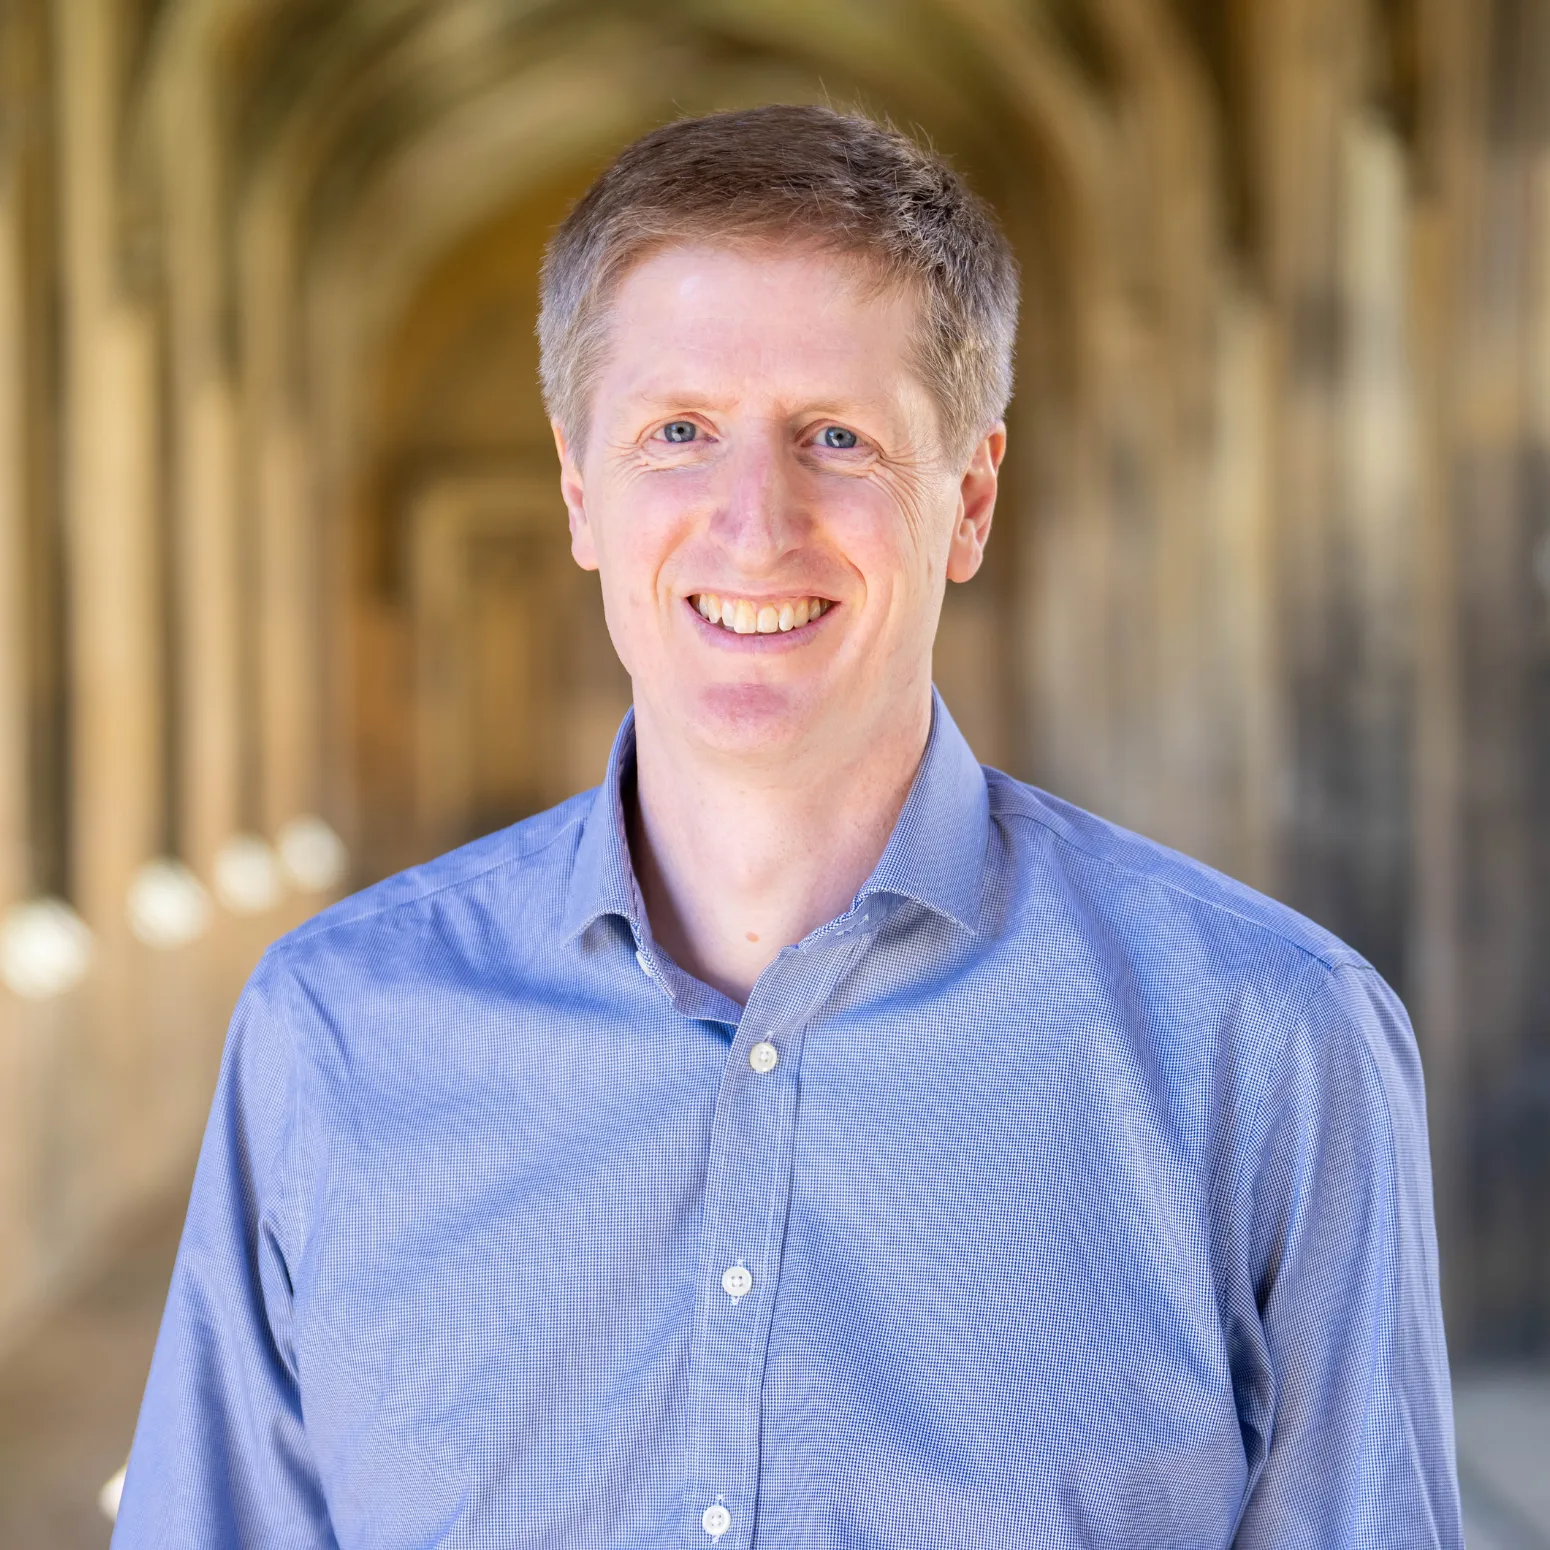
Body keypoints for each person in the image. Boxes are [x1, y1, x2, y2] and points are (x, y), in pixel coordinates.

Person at [113, 105, 1462, 1548]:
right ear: (582, 493)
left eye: (836, 436)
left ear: (972, 500)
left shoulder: (1267, 1047)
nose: (754, 523)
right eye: (678, 432)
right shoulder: (335, 1036)